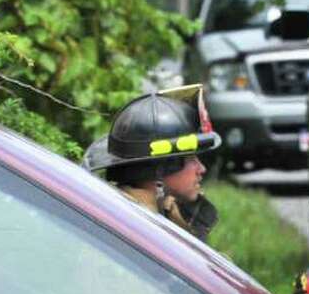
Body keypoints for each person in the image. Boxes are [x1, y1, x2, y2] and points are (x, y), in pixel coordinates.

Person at [83, 85, 221, 242]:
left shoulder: (152, 211)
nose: (201, 169)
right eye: (191, 158)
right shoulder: (138, 230)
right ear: (161, 167)